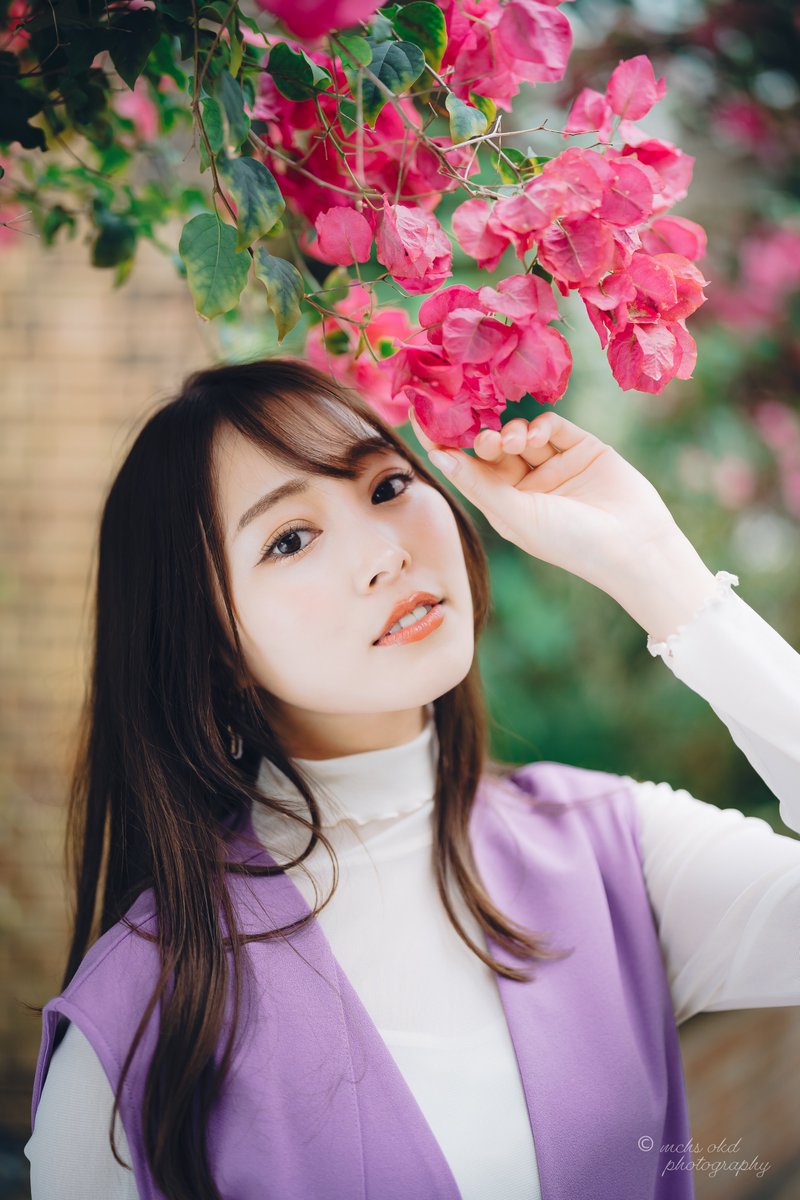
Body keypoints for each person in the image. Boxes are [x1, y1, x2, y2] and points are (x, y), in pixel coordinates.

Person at [24, 358, 800, 1200]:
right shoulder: (140, 1026)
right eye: (290, 538)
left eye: (389, 486)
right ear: (215, 648)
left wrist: (659, 571)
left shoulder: (615, 850)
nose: (385, 554)